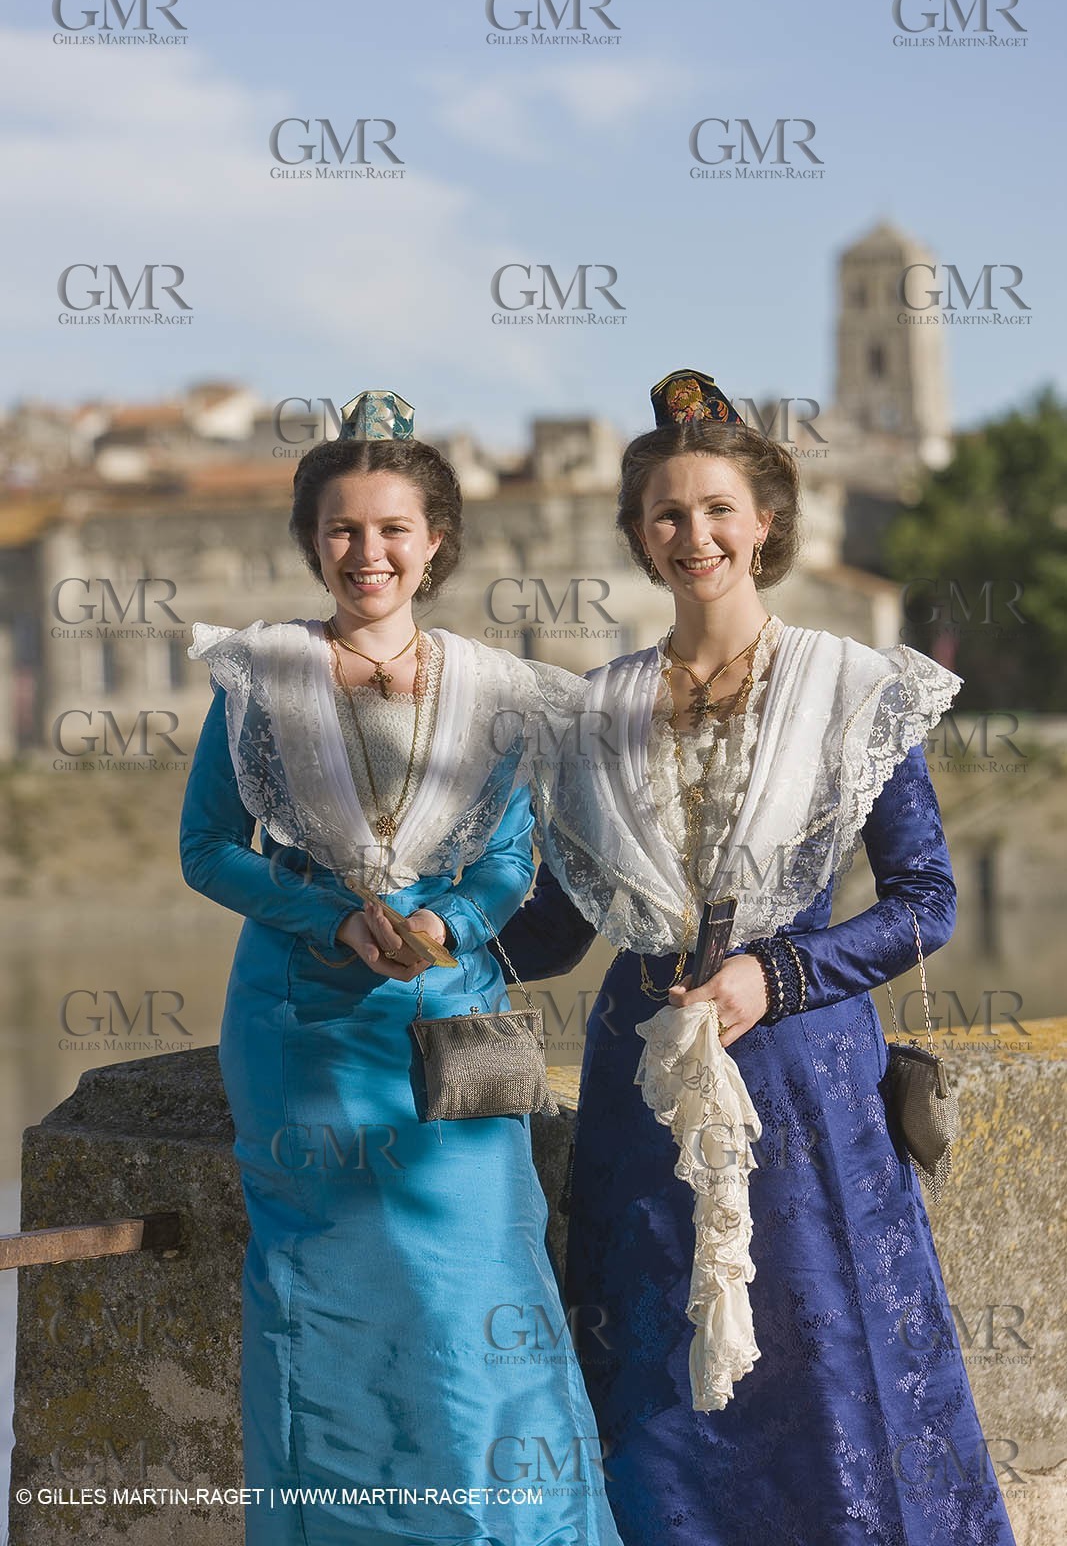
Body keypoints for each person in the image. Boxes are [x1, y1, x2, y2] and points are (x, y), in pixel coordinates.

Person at [496, 370, 1018, 1545]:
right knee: (660, 1385)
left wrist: (771, 976)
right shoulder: (591, 711)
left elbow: (924, 901)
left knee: (820, 1371)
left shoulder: (852, 688)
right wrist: (421, 931)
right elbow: (556, 926)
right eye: (667, 515)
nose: (694, 535)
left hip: (804, 1084)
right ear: (637, 535)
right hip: (641, 1098)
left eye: (716, 509)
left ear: (765, 520)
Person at [178, 389, 624, 1546]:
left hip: (447, 1029)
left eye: (390, 530)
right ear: (310, 540)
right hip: (301, 1031)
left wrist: (444, 928)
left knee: (480, 1290)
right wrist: (328, 915)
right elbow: (208, 849)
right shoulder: (260, 676)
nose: (365, 553)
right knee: (323, 1304)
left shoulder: (497, 690)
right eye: (340, 529)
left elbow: (514, 858)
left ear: (434, 543)